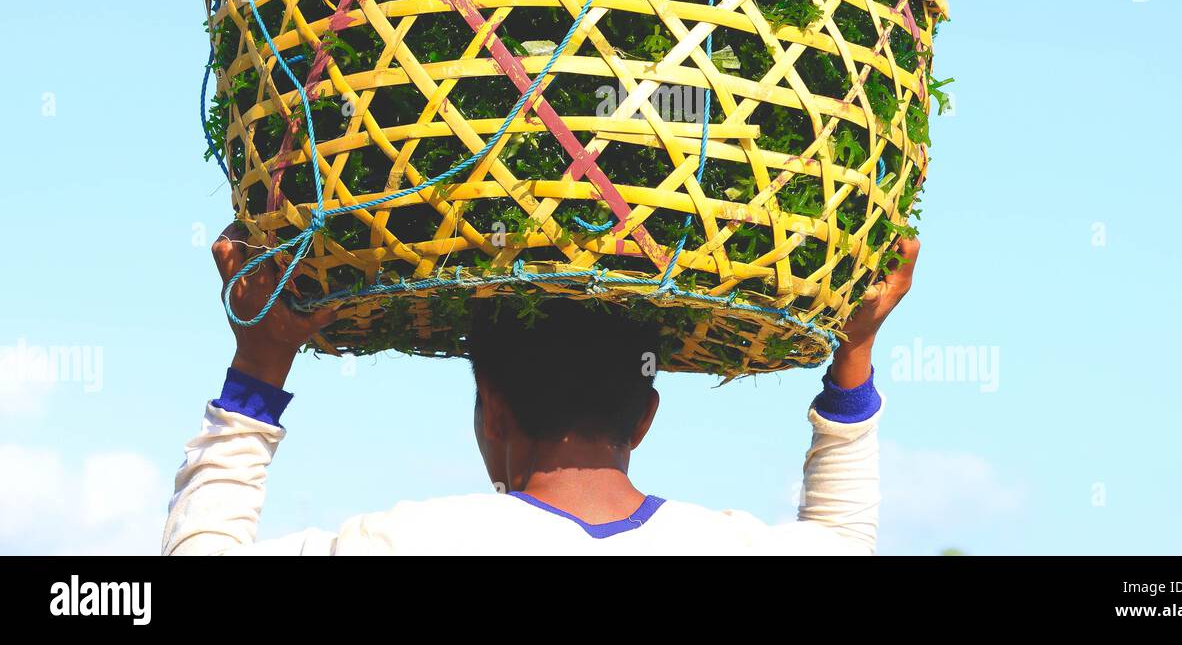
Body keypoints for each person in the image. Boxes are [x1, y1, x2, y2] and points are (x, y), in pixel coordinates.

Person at [162, 224, 919, 555]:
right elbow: (844, 542)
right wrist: (853, 352)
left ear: (492, 411)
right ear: (645, 414)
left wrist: (260, 368)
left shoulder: (413, 544)